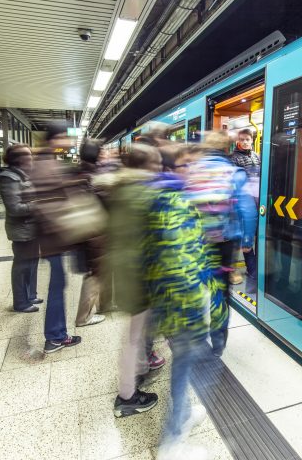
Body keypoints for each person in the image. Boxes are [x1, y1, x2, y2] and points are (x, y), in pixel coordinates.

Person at [144, 162, 213, 460]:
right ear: (179, 169)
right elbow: (182, 261)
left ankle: (182, 413)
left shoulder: (160, 197)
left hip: (164, 296)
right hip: (180, 299)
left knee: (185, 360)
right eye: (191, 166)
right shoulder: (177, 205)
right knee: (184, 361)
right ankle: (172, 441)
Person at [104, 143, 164, 418]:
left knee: (134, 336)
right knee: (133, 338)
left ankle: (135, 377)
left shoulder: (120, 188)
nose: (161, 168)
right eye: (157, 163)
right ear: (148, 166)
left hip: (126, 272)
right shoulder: (145, 194)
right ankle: (127, 397)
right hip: (141, 276)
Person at [184, 130, 256, 357]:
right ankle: (218, 341)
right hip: (225, 242)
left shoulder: (192, 172)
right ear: (226, 149)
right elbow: (247, 209)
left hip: (197, 242)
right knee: (221, 290)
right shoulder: (234, 173)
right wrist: (246, 239)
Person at [30, 122, 84, 353]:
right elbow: (47, 206)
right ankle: (54, 337)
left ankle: (57, 334)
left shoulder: (45, 162)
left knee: (58, 285)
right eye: (65, 137)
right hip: (53, 240)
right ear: (54, 139)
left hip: (53, 240)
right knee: (56, 287)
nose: (68, 142)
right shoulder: (45, 165)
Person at [0, 144, 42, 313]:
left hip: (32, 227)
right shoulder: (9, 178)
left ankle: (31, 295)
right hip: (22, 230)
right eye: (28, 156)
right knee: (22, 266)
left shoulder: (22, 176)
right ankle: (21, 302)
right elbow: (14, 208)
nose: (31, 159)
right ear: (19, 159)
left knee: (32, 263)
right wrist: (38, 205)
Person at [74, 138, 107, 327]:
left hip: (88, 233)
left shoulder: (80, 171)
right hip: (95, 234)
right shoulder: (92, 176)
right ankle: (83, 317)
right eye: (101, 151)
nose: (103, 154)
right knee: (94, 274)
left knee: (95, 273)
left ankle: (102, 305)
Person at [229, 128, 261, 290]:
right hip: (242, 202)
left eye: (248, 139)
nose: (246, 142)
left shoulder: (257, 157)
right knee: (242, 237)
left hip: (256, 201)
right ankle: (247, 269)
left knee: (251, 236)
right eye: (243, 140)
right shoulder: (233, 158)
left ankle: (253, 269)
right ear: (237, 142)